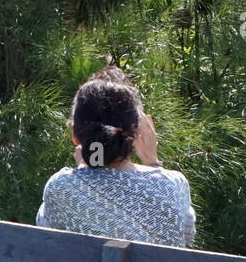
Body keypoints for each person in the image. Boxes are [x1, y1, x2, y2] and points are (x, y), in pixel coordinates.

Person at [36, 67, 195, 247]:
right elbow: (185, 237)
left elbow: (46, 236)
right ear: (136, 132)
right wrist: (153, 164)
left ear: (75, 135)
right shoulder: (173, 184)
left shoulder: (60, 186)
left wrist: (84, 173)